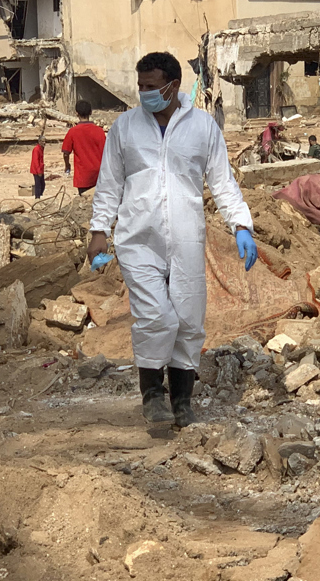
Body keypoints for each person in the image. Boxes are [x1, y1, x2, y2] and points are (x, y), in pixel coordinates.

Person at [88, 52, 257, 429]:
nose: (143, 93)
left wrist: (241, 225)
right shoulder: (125, 127)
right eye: (140, 86)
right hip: (138, 237)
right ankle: (152, 394)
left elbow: (223, 181)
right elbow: (110, 182)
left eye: (151, 86)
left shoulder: (202, 127)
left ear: (173, 86)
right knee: (155, 316)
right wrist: (100, 231)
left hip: (185, 237)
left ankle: (182, 401)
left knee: (188, 319)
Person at [62, 100, 106, 195]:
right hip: (99, 175)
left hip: (83, 177)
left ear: (76, 113)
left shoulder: (73, 132)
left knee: (84, 204)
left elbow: (66, 153)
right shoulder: (100, 131)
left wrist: (67, 165)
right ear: (90, 112)